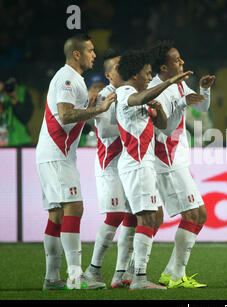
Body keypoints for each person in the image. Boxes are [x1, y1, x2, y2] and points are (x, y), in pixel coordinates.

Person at [36, 33, 117, 290]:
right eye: (91, 50)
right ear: (77, 54)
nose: (95, 54)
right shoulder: (68, 77)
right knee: (74, 207)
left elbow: (73, 112)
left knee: (57, 213)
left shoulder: (73, 79)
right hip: (57, 154)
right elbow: (66, 115)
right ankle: (74, 276)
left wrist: (89, 104)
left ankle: (52, 278)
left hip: (54, 154)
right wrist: (98, 109)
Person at [115, 48, 192, 290]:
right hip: (136, 163)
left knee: (153, 216)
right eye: (147, 73)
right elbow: (137, 100)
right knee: (147, 217)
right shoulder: (127, 91)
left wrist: (158, 110)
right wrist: (168, 83)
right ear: (135, 75)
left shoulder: (142, 94)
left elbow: (163, 124)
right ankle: (138, 278)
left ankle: (128, 274)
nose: (150, 77)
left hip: (144, 163)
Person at [148, 40, 214, 289]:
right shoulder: (156, 89)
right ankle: (174, 275)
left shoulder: (178, 84)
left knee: (197, 215)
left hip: (176, 158)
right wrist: (184, 103)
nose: (182, 62)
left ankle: (172, 273)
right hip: (165, 160)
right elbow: (163, 126)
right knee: (196, 214)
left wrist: (203, 90)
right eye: (177, 60)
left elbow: (200, 105)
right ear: (164, 68)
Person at [83, 49, 137, 288]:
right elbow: (104, 131)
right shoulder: (106, 95)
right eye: (117, 67)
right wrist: (134, 126)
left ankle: (121, 273)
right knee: (115, 215)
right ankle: (93, 270)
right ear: (108, 74)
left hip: (129, 162)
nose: (123, 71)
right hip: (110, 162)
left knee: (132, 216)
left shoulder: (130, 92)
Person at [0, 77, 33, 146]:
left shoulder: (23, 92)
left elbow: (26, 117)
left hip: (22, 141)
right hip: (3, 141)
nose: (9, 87)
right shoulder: (2, 94)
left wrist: (14, 99)